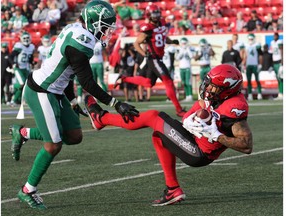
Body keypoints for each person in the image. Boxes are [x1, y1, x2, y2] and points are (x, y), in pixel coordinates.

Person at [9, 0, 139, 209]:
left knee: (74, 136)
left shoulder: (76, 29)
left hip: (57, 90)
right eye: (105, 27)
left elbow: (68, 71)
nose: (107, 32)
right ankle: (28, 190)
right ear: (93, 22)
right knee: (53, 145)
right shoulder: (82, 43)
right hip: (42, 90)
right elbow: (86, 81)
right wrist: (116, 103)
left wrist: (70, 100)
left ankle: (23, 133)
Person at [84, 64, 253, 206]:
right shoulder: (213, 96)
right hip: (194, 140)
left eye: (212, 85)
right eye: (207, 83)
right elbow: (191, 113)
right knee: (159, 137)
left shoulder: (234, 108)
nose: (207, 87)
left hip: (199, 152)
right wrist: (189, 121)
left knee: (153, 117)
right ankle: (173, 189)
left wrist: (216, 135)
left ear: (226, 89)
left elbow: (246, 146)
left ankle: (102, 119)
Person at [114, 5, 186, 117]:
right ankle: (179, 109)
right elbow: (136, 43)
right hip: (153, 58)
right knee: (168, 81)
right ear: (149, 15)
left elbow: (162, 37)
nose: (156, 16)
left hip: (158, 58)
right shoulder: (147, 29)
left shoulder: (162, 23)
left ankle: (124, 79)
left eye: (157, 13)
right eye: (154, 14)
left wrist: (171, 41)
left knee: (148, 83)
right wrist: (144, 54)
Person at [9, 31, 35, 106]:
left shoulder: (31, 47)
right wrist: (13, 63)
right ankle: (13, 86)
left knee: (26, 85)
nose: (26, 39)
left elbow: (30, 57)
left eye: (27, 38)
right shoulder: (19, 46)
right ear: (21, 39)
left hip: (25, 68)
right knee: (22, 84)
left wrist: (32, 62)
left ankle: (13, 100)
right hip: (18, 67)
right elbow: (11, 56)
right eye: (24, 38)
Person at [242, 33, 263, 101]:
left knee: (257, 80)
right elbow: (245, 55)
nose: (250, 40)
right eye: (249, 39)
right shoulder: (246, 45)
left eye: (251, 39)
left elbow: (260, 55)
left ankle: (259, 94)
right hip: (248, 65)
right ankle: (250, 94)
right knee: (248, 80)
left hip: (255, 65)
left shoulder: (257, 45)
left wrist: (260, 64)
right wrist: (243, 64)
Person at [176, 37, 194, 102]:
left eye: (185, 43)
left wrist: (187, 49)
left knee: (188, 82)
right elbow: (177, 58)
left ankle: (190, 96)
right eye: (183, 43)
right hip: (181, 68)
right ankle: (187, 96)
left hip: (187, 67)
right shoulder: (179, 49)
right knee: (184, 83)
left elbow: (191, 56)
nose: (184, 44)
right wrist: (182, 51)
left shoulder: (189, 49)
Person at [270, 32, 283, 100]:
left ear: (278, 36)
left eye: (276, 36)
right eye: (274, 35)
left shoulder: (280, 41)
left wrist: (282, 63)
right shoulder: (272, 42)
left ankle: (281, 93)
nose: (274, 36)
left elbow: (282, 51)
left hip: (279, 62)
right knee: (278, 78)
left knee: (281, 78)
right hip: (274, 62)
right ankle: (280, 93)